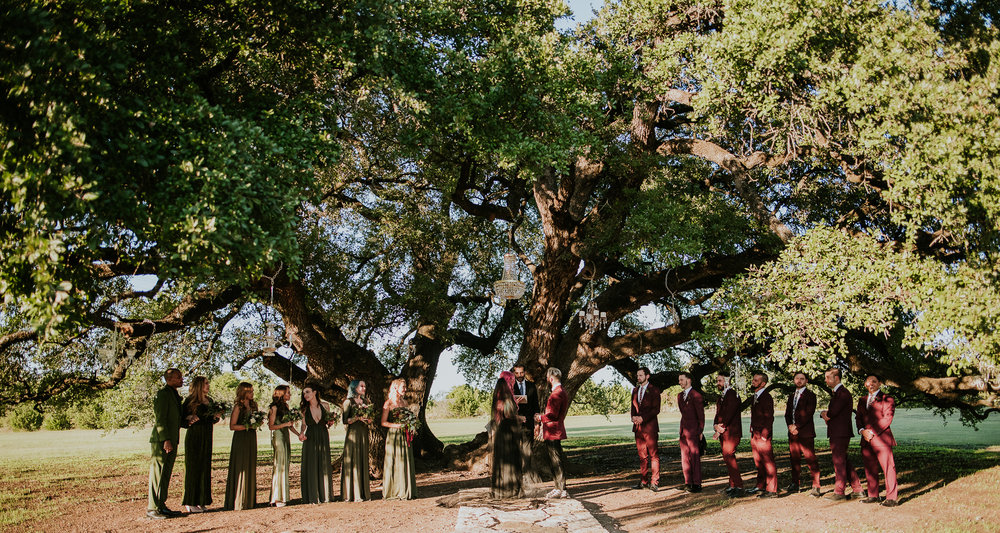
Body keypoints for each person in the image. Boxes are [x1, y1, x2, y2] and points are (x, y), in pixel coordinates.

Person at [147, 368, 188, 519]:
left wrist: (187, 421)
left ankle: (161, 505)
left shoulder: (174, 395)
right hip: (162, 441)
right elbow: (160, 419)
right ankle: (152, 508)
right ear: (169, 379)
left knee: (165, 474)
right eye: (178, 377)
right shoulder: (163, 394)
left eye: (181, 377)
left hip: (172, 439)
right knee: (158, 474)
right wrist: (166, 440)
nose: (181, 379)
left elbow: (176, 419)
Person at [856, 374, 899, 507]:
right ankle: (873, 495)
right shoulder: (862, 400)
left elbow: (887, 419)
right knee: (870, 468)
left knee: (888, 468)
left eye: (874, 381)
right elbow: (858, 418)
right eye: (868, 382)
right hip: (865, 439)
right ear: (865, 384)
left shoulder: (887, 399)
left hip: (881, 439)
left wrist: (871, 432)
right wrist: (862, 431)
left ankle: (891, 498)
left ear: (880, 383)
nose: (871, 384)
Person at [820, 367, 862, 500]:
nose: (825, 380)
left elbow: (832, 413)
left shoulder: (842, 393)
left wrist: (823, 414)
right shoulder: (838, 393)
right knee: (844, 460)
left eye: (828, 377)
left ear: (836, 378)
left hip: (840, 433)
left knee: (839, 461)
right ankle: (858, 489)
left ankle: (839, 492)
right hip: (838, 432)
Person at [182, 376, 218, 513]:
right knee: (193, 468)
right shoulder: (190, 401)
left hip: (207, 436)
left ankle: (202, 501)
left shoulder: (210, 401)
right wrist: (189, 418)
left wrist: (216, 417)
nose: (208, 385)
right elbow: (181, 419)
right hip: (195, 436)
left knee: (205, 468)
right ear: (199, 386)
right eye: (205, 383)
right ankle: (190, 502)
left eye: (208, 383)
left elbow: (210, 419)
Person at [534, 367, 569, 499]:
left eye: (548, 378)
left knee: (555, 460)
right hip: (555, 429)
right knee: (556, 459)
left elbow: (552, 415)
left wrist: (539, 418)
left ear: (551, 378)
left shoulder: (556, 394)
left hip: (553, 430)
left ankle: (560, 488)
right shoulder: (562, 391)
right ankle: (559, 487)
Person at [785, 372, 821, 496]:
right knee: (794, 459)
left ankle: (816, 485)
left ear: (806, 381)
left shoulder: (810, 395)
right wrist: (790, 426)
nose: (799, 381)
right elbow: (787, 414)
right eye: (797, 378)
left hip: (805, 432)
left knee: (810, 459)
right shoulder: (791, 396)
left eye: (802, 379)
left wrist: (797, 426)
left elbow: (808, 413)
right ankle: (795, 483)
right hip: (792, 433)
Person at [224, 382, 258, 511]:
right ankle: (238, 500)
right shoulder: (238, 407)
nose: (252, 394)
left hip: (251, 438)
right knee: (241, 465)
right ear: (243, 392)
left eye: (252, 391)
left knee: (250, 465)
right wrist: (247, 426)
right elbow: (232, 426)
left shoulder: (254, 405)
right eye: (250, 391)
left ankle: (249, 500)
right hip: (241, 439)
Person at [489, 371, 523, 499]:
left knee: (503, 460)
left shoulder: (501, 394)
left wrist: (516, 404)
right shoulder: (506, 395)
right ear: (508, 380)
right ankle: (510, 489)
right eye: (512, 380)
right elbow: (508, 414)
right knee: (510, 458)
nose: (514, 382)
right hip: (508, 431)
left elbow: (504, 411)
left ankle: (502, 488)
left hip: (502, 431)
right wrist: (520, 417)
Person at [382, 378, 417, 500]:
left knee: (405, 460)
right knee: (394, 461)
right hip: (394, 436)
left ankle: (406, 489)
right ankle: (394, 490)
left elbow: (408, 418)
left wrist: (411, 425)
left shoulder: (405, 403)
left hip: (404, 434)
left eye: (405, 387)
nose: (405, 389)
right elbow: (383, 422)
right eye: (403, 387)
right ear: (396, 388)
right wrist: (397, 425)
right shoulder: (388, 404)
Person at [299, 384, 335, 503]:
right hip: (310, 437)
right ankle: (313, 495)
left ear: (315, 392)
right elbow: (304, 424)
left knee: (324, 462)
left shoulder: (325, 405)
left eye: (308, 392)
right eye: (304, 393)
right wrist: (301, 433)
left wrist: (330, 422)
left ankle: (326, 495)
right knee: (312, 464)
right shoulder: (304, 409)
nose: (306, 395)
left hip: (323, 435)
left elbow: (328, 421)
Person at [267, 385, 300, 507]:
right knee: (279, 464)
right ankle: (277, 497)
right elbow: (271, 426)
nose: (289, 395)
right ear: (281, 394)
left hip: (286, 435)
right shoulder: (274, 408)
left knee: (285, 463)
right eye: (288, 393)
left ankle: (282, 495)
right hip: (278, 436)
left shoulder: (286, 407)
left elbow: (290, 426)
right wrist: (285, 424)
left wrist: (299, 435)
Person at [712, 371, 744, 497]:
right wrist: (715, 425)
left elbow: (730, 413)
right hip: (722, 432)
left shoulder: (733, 395)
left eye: (719, 381)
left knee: (729, 456)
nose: (717, 383)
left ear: (727, 381)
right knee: (727, 458)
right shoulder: (721, 397)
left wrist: (721, 427)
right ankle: (732, 485)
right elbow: (718, 413)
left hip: (731, 432)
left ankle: (739, 486)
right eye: (717, 381)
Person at [341, 380, 372, 502]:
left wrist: (368, 419)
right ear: (354, 388)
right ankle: (352, 493)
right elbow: (345, 420)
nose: (364, 388)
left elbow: (370, 419)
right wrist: (357, 417)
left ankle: (364, 492)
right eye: (361, 386)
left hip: (363, 433)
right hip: (353, 434)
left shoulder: (366, 402)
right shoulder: (348, 402)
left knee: (362, 459)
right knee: (354, 460)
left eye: (365, 386)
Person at [630, 367, 661, 491]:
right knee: (642, 456)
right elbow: (633, 406)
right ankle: (643, 481)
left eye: (641, 375)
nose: (638, 378)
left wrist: (643, 418)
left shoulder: (654, 390)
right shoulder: (635, 390)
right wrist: (633, 418)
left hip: (650, 427)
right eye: (637, 375)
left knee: (653, 455)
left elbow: (656, 409)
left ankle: (654, 482)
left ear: (647, 376)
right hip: (638, 428)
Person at [749, 373, 778, 498]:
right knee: (758, 461)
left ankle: (772, 490)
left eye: (756, 380)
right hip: (754, 434)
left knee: (768, 462)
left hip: (762, 435)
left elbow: (769, 417)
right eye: (753, 379)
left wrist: (765, 435)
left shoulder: (766, 397)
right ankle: (760, 485)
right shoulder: (755, 396)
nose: (753, 382)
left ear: (763, 383)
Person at [677, 371, 705, 493]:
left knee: (694, 457)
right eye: (679, 380)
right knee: (684, 458)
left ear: (688, 380)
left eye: (681, 380)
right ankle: (688, 482)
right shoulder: (679, 396)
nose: (680, 382)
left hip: (694, 431)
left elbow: (701, 416)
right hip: (683, 431)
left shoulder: (696, 395)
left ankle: (697, 484)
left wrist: (700, 431)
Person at [511, 364, 539, 473]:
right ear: (514, 373)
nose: (519, 375)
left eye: (521, 372)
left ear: (525, 372)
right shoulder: (511, 387)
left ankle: (527, 474)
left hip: (529, 423)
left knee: (528, 450)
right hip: (515, 423)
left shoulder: (532, 386)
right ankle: (516, 474)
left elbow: (536, 405)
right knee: (515, 449)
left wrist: (537, 423)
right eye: (517, 373)